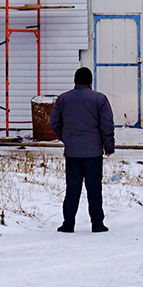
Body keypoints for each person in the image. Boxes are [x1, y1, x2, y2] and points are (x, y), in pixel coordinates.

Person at [49, 67, 115, 233]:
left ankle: (68, 223)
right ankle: (97, 223)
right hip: (93, 153)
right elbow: (107, 125)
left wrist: (67, 138)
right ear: (90, 81)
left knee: (72, 188)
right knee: (94, 188)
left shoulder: (63, 99)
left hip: (72, 153)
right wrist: (108, 146)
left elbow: (54, 123)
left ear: (75, 80)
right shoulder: (99, 99)